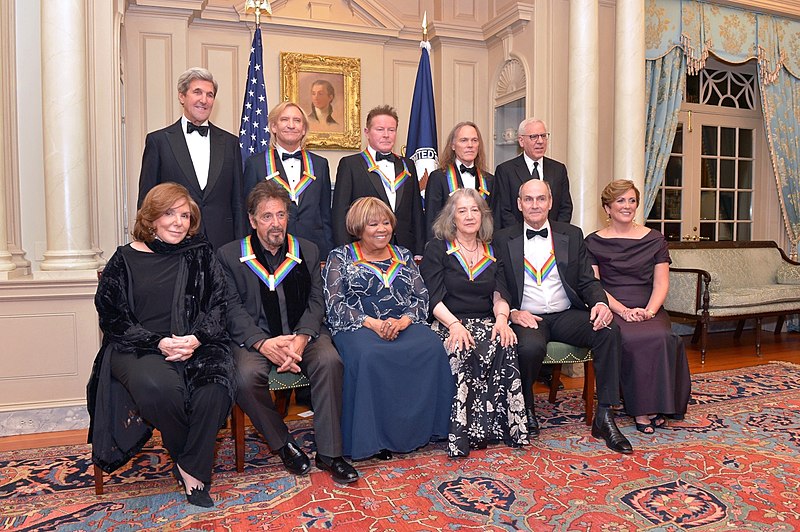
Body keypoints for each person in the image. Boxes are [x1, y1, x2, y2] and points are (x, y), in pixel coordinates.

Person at [87, 183, 235, 508]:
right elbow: (112, 317)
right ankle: (191, 462)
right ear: (152, 217)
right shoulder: (124, 258)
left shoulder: (201, 253)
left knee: (215, 388)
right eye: (170, 213)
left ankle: (188, 466)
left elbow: (220, 304)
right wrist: (160, 342)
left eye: (185, 215)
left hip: (198, 342)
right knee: (160, 389)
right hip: (138, 347)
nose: (178, 222)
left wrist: (197, 338)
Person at [217, 180, 359, 483]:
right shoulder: (229, 256)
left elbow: (317, 299)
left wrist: (302, 337)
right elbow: (230, 308)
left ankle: (330, 453)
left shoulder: (306, 249)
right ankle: (283, 444)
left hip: (301, 335)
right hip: (256, 339)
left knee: (330, 361)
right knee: (242, 377)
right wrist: (262, 343)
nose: (276, 223)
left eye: (281, 215)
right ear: (253, 220)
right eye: (267, 216)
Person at [494, 178, 632, 454]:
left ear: (550, 202)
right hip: (528, 316)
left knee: (608, 330)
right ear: (520, 204)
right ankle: (526, 407)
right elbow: (498, 284)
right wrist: (512, 312)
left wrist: (601, 304)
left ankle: (605, 416)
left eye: (541, 198)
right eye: (529, 199)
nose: (535, 205)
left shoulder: (571, 234)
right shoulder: (502, 238)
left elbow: (586, 280)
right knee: (529, 347)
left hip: (567, 312)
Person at [323, 197, 454, 460]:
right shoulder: (339, 257)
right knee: (370, 356)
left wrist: (404, 321)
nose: (382, 229)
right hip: (357, 326)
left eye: (386, 223)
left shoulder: (403, 255)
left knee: (431, 346)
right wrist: (372, 323)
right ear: (358, 228)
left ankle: (426, 430)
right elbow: (334, 304)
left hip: (403, 323)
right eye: (373, 224)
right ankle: (374, 438)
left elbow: (421, 298)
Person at [420, 188, 528, 456]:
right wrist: (455, 325)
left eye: (475, 210)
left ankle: (501, 429)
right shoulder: (438, 248)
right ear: (452, 217)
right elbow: (432, 298)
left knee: (505, 342)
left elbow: (500, 293)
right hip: (446, 321)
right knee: (462, 347)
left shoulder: (493, 249)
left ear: (483, 215)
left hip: (485, 318)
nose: (469, 216)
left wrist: (502, 320)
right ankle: (463, 433)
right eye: (462, 210)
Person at [584, 180, 691, 433]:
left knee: (661, 335)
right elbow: (594, 286)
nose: (627, 206)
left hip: (648, 306)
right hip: (612, 306)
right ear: (607, 208)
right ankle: (642, 410)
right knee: (629, 337)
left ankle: (660, 404)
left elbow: (662, 283)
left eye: (631, 200)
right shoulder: (592, 242)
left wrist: (650, 311)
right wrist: (622, 311)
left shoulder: (654, 239)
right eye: (620, 201)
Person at [138, 67, 245, 249]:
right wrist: (148, 246)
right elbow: (146, 200)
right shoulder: (159, 141)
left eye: (210, 95)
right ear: (182, 97)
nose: (204, 100)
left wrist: (241, 247)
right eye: (197, 92)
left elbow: (238, 202)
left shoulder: (230, 143)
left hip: (222, 246)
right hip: (174, 245)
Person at [243, 101, 335, 259]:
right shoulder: (256, 164)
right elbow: (249, 214)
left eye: (297, 121)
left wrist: (328, 253)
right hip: (271, 250)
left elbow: (325, 215)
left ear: (304, 129)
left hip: (314, 250)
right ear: (273, 127)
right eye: (284, 120)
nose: (291, 125)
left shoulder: (320, 164)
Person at [332, 105, 425, 256]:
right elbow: (340, 213)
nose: (386, 135)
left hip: (404, 250)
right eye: (380, 129)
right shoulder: (350, 164)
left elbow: (416, 213)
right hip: (363, 250)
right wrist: (345, 252)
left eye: (391, 130)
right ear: (367, 133)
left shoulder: (407, 165)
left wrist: (419, 251)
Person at [493, 118, 573, 230]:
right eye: (534, 137)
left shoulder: (559, 169)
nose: (540, 141)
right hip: (517, 239)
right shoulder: (505, 171)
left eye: (543, 136)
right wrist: (522, 236)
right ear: (521, 141)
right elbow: (503, 211)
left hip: (553, 239)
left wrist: (554, 233)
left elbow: (565, 208)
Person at [425, 122, 495, 240]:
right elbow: (431, 219)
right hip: (447, 247)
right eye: (464, 140)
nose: (470, 145)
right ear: (453, 145)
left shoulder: (489, 180)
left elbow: (493, 219)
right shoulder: (438, 178)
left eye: (474, 140)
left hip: (481, 247)